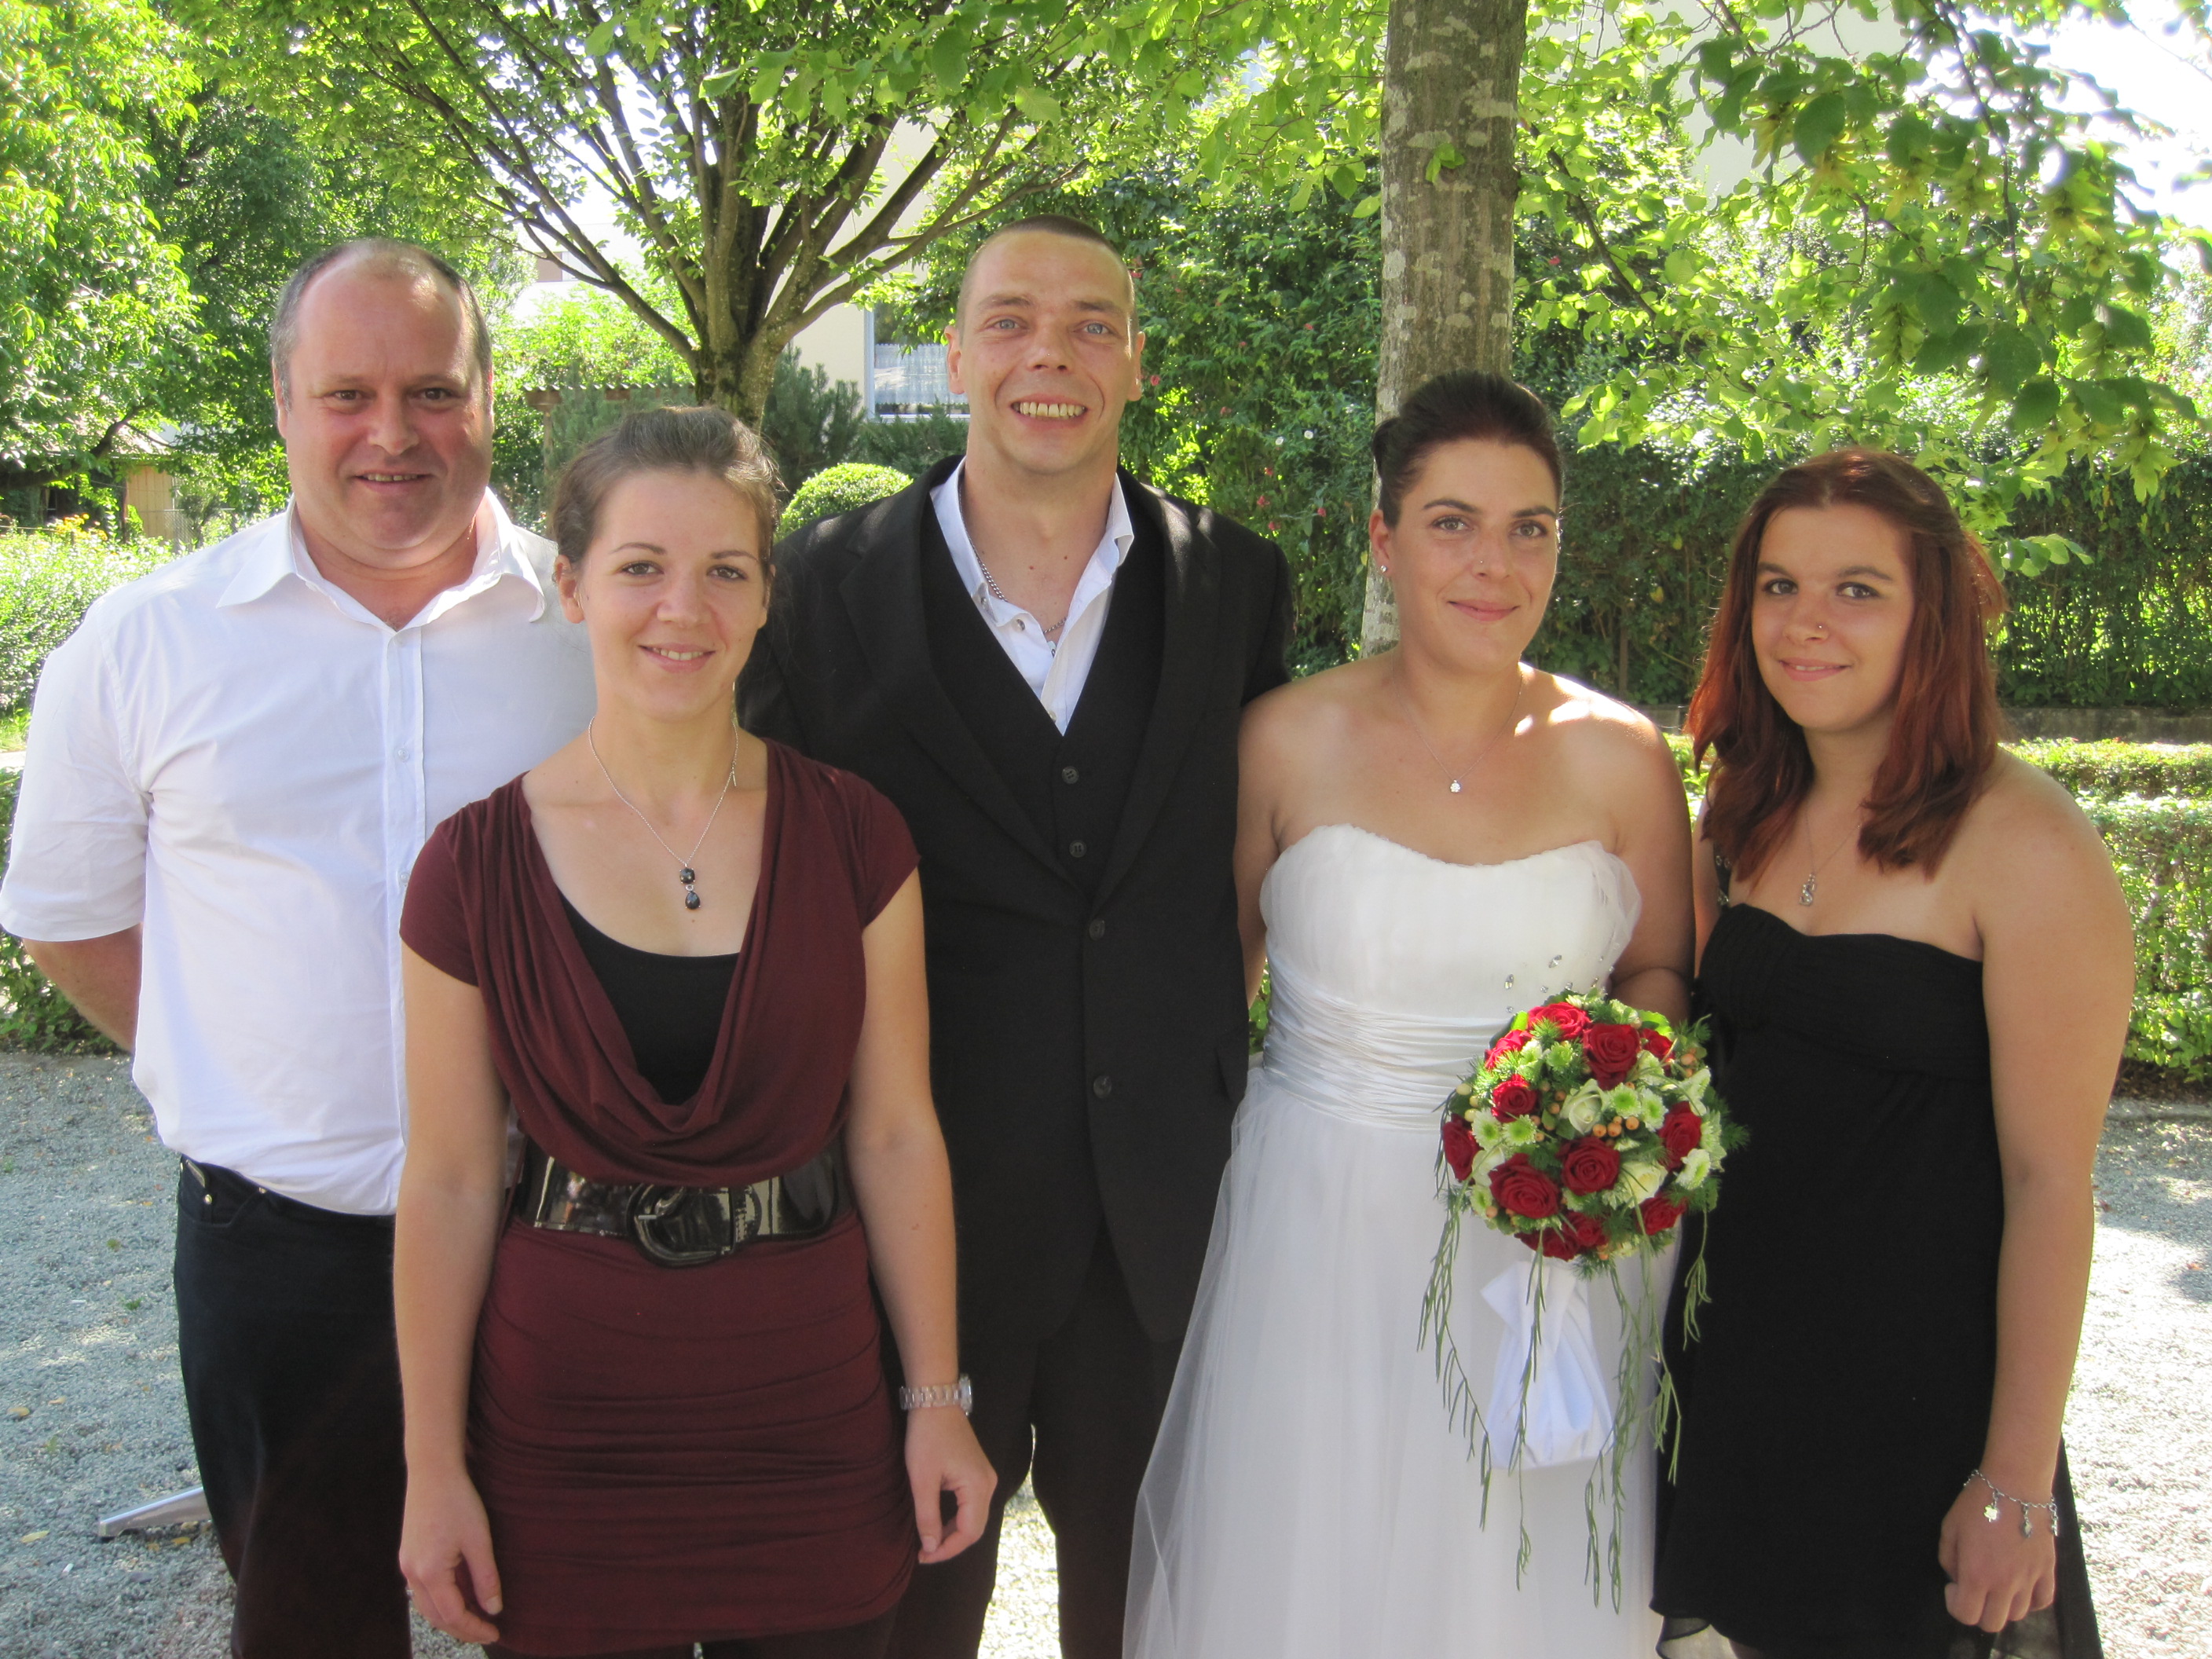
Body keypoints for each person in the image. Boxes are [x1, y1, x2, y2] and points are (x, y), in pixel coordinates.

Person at [0, 240, 595, 1656]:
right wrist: (233, 1069)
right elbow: (68, 918)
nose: (393, 432)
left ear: (489, 399)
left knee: (582, 1618)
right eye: (347, 395)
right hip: (277, 1254)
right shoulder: (148, 640)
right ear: (281, 404)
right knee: (308, 1624)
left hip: (557, 1237)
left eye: (433, 390)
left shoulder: (595, 629)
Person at [737, 214, 1293, 1659]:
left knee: (1155, 1622)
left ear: (1137, 361)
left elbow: (1250, 872)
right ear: (955, 354)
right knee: (899, 1622)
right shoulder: (819, 586)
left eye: (1092, 323)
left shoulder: (1237, 584)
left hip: (1159, 1231)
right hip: (916, 1226)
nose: (1052, 353)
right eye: (1011, 321)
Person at [393, 405, 994, 1658]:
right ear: (571, 589)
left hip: (811, 1410)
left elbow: (894, 1133)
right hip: (565, 1431)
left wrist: (936, 1400)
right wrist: (433, 1467)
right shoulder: (469, 868)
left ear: (767, 596)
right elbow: (448, 1180)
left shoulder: (858, 838)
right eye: (640, 568)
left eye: (725, 570)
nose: (685, 608)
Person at [1123, 370, 1695, 1657]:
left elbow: (1660, 970)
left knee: (1515, 1581)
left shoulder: (1622, 756)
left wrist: (1606, 1110)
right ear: (1384, 539)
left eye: (1530, 527)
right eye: (1452, 523)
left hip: (1552, 1243)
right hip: (1316, 1227)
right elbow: (1208, 990)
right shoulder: (1281, 740)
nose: (1495, 563)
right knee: (1310, 1571)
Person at [1650, 449, 2130, 1659]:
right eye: (1779, 586)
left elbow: (2051, 1185)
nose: (1806, 623)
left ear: (1935, 617)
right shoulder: (1742, 812)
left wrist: (2014, 1481)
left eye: (1857, 590)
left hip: (1921, 1399)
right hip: (1746, 1369)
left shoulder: (2027, 845)